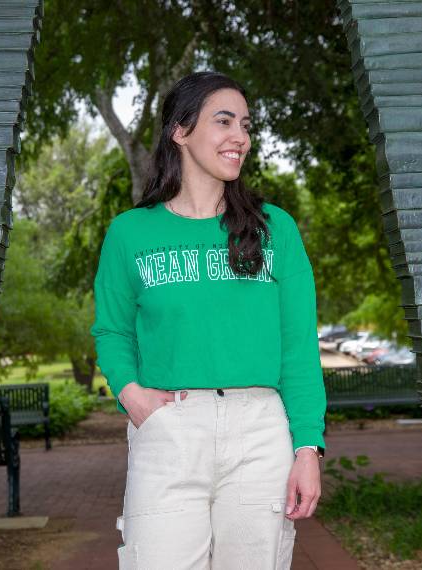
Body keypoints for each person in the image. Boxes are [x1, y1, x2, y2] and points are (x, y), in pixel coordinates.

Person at [90, 70, 326, 569]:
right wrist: (130, 394)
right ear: (180, 130)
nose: (240, 136)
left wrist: (308, 445)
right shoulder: (130, 233)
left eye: (245, 124)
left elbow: (299, 347)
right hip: (169, 428)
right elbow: (111, 330)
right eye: (224, 121)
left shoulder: (274, 229)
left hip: (262, 432)